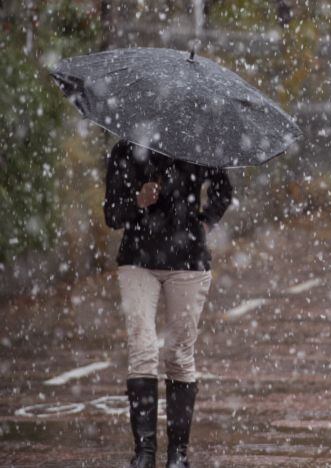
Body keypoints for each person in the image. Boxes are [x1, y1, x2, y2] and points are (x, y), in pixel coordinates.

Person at [104, 139, 232, 468]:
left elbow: (223, 189)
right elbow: (112, 214)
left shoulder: (198, 144)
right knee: (142, 348)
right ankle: (144, 452)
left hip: (188, 261)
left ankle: (178, 454)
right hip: (138, 260)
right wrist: (138, 200)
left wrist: (206, 220)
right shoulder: (125, 150)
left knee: (178, 353)